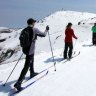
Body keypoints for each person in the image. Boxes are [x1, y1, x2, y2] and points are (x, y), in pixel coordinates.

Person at [14, 18, 49, 91]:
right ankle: (19, 82)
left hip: (25, 49)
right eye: (34, 22)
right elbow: (44, 34)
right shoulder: (34, 29)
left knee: (31, 59)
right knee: (27, 65)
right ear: (32, 23)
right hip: (30, 49)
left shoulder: (24, 30)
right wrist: (46, 29)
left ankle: (32, 72)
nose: (35, 23)